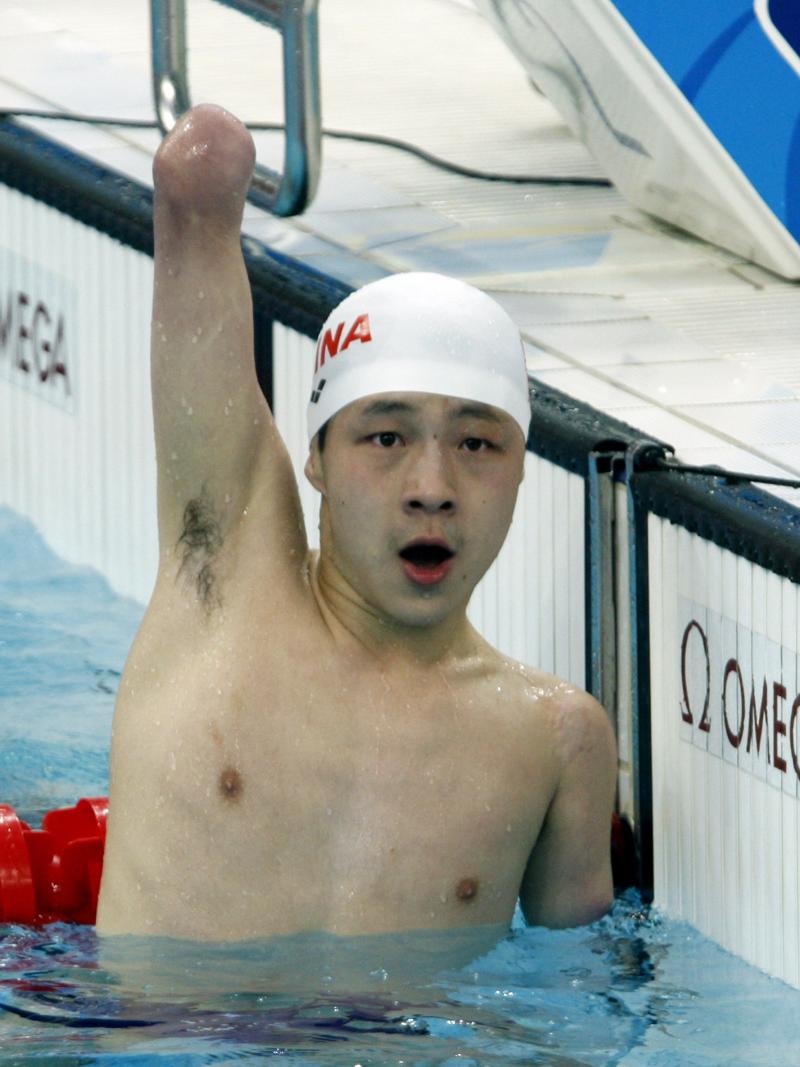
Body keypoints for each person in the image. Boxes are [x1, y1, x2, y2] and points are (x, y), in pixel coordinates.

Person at [96, 103, 617, 942]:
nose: (433, 486)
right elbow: (190, 190)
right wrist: (212, 163)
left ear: (524, 469)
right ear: (319, 457)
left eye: (478, 443)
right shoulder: (225, 580)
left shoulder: (555, 744)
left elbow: (580, 1009)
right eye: (386, 435)